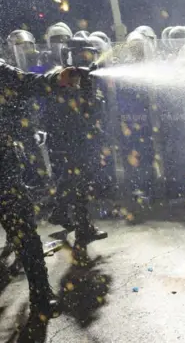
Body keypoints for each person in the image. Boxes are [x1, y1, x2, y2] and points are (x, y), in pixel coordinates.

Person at [0, 59, 78, 317]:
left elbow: (24, 82)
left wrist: (56, 79)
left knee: (23, 231)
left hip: (3, 164)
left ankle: (41, 295)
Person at [46, 37, 109, 245]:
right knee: (81, 183)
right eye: (84, 54)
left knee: (73, 178)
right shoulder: (63, 79)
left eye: (89, 54)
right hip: (73, 140)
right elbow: (79, 110)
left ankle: (60, 211)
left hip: (80, 138)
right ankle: (83, 228)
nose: (87, 58)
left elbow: (93, 109)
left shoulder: (84, 78)